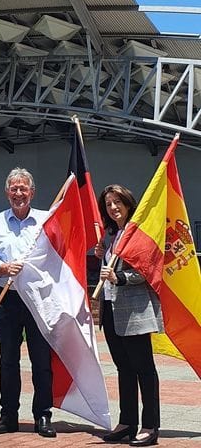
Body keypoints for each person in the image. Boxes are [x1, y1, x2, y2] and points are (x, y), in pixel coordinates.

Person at [0, 167, 56, 438]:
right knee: (9, 361)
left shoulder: (47, 221)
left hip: (37, 299)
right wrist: (1, 268)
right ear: (7, 192)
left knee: (41, 361)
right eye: (14, 188)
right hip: (8, 299)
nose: (19, 193)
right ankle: (8, 416)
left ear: (32, 192)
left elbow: (59, 255)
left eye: (23, 188)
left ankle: (43, 416)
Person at [95, 184, 162, 447]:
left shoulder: (137, 234)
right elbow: (106, 271)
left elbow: (147, 270)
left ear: (128, 203)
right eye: (109, 204)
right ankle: (127, 422)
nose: (113, 208)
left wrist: (118, 276)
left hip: (134, 310)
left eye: (117, 202)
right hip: (111, 308)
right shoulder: (111, 236)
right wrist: (102, 256)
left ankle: (150, 425)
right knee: (124, 368)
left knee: (144, 369)